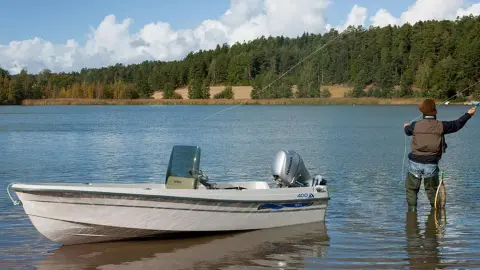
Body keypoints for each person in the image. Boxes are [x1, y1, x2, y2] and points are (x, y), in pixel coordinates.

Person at [403, 98, 476, 211]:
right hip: (431, 164)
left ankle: (412, 214)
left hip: (414, 163)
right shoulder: (441, 126)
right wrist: (468, 114)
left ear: (422, 112)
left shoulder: (415, 125)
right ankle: (435, 215)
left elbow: (407, 131)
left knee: (411, 190)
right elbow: (457, 124)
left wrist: (406, 126)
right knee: (433, 192)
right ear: (435, 111)